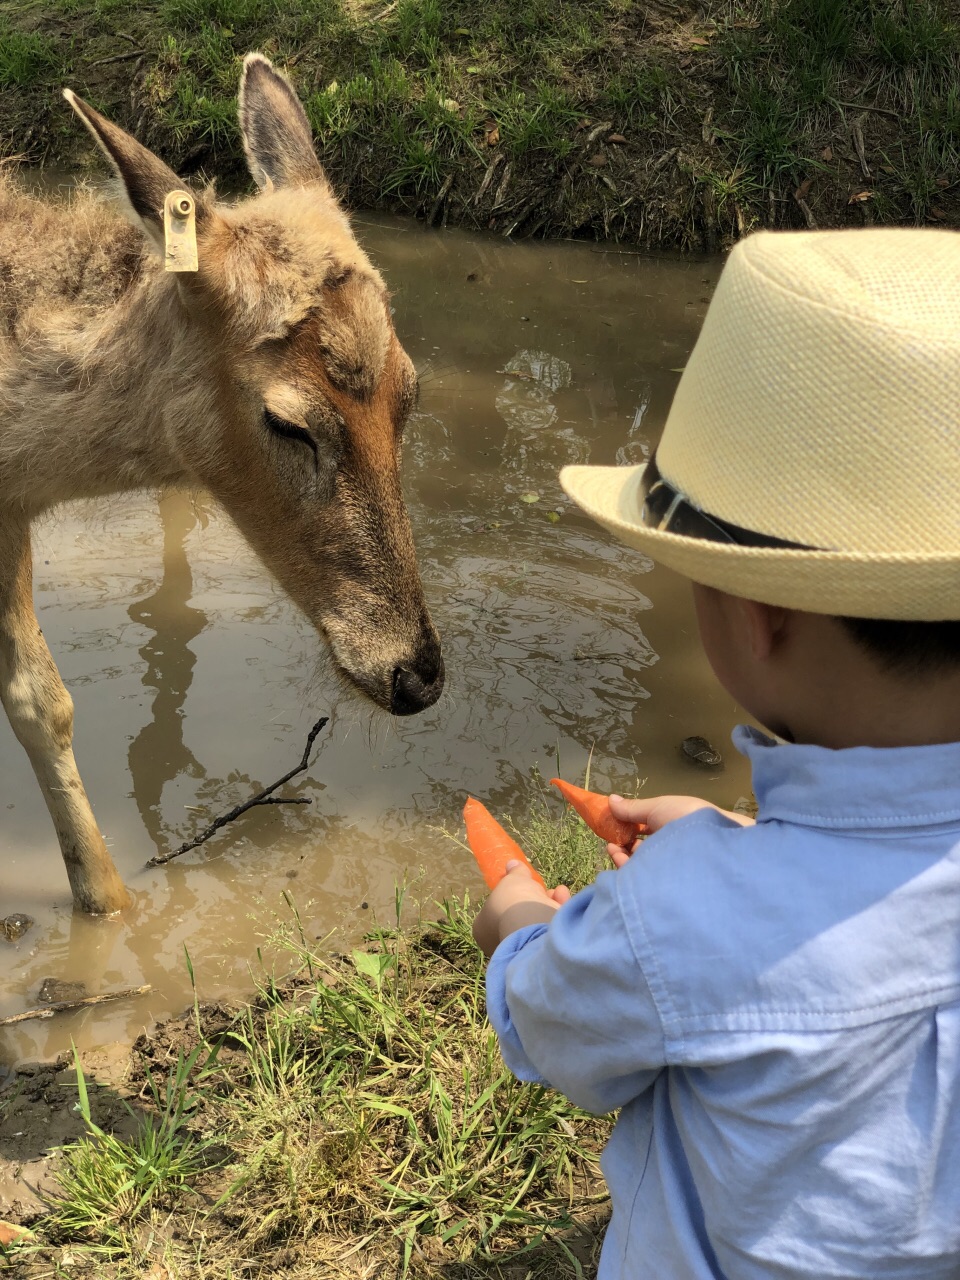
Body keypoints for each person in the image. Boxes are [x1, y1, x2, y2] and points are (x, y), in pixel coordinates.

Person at [472, 227, 960, 1278]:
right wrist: (740, 841)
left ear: (758, 617)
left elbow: (550, 1022)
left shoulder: (672, 921)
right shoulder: (709, 894)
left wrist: (516, 915)